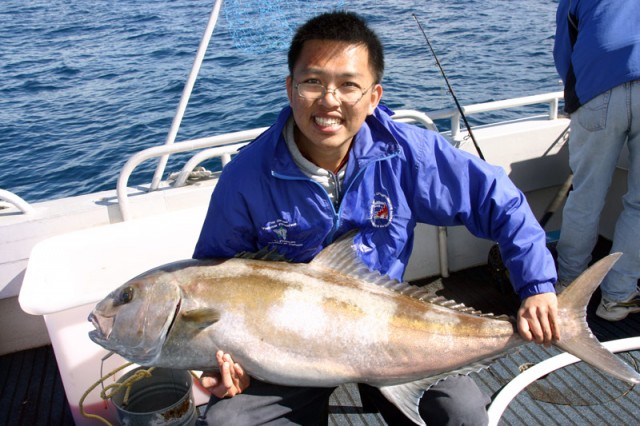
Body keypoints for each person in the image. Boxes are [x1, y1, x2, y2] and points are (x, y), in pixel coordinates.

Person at [193, 11, 559, 425]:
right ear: (290, 88)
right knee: (227, 421)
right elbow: (213, 281)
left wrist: (537, 286)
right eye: (313, 81)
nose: (329, 100)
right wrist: (220, 363)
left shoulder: (407, 152)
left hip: (389, 325)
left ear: (373, 97)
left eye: (348, 85)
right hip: (284, 343)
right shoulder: (245, 178)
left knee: (462, 414)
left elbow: (499, 199)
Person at [553, 0, 640, 321]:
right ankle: (617, 298)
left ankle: (566, 287)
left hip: (597, 95)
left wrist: (578, 99)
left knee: (586, 196)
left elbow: (564, 54)